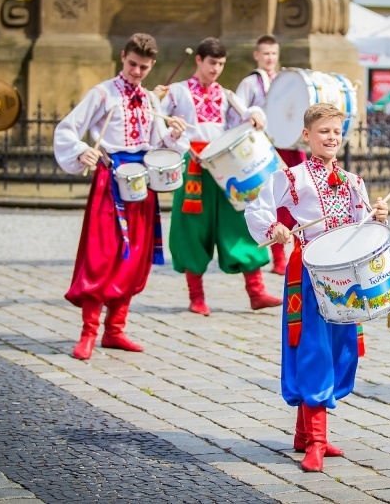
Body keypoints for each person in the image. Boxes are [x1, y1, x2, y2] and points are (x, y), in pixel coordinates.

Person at [245, 103, 389, 472]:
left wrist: (378, 218)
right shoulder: (291, 177)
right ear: (307, 136)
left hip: (346, 278)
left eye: (337, 131)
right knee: (313, 350)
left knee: (341, 351)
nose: (332, 138)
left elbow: (363, 227)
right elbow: (256, 210)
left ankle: (304, 434)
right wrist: (274, 229)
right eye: (324, 131)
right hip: (309, 274)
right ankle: (317, 442)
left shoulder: (354, 181)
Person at [54, 33, 188, 360]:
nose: (137, 71)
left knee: (135, 256)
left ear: (152, 64)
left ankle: (115, 330)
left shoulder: (151, 101)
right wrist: (83, 149)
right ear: (122, 57)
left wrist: (173, 134)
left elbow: (159, 145)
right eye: (132, 64)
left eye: (144, 66)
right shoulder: (102, 94)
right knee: (102, 254)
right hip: (110, 179)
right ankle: (88, 332)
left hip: (142, 182)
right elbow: (67, 128)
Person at [157, 37, 282, 316]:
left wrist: (256, 116)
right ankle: (196, 296)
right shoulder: (176, 92)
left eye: (221, 64)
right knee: (192, 228)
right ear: (198, 60)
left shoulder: (225, 94)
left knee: (239, 221)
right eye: (212, 62)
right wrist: (167, 123)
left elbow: (246, 113)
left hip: (225, 166)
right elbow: (156, 118)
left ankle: (256, 291)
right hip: (193, 165)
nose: (216, 69)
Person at [235, 34, 306, 276]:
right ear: (256, 55)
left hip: (291, 145)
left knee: (299, 198)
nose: (270, 58)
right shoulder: (250, 83)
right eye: (265, 53)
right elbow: (239, 113)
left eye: (273, 53)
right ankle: (278, 258)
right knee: (273, 201)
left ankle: (299, 251)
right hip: (266, 147)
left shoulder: (288, 80)